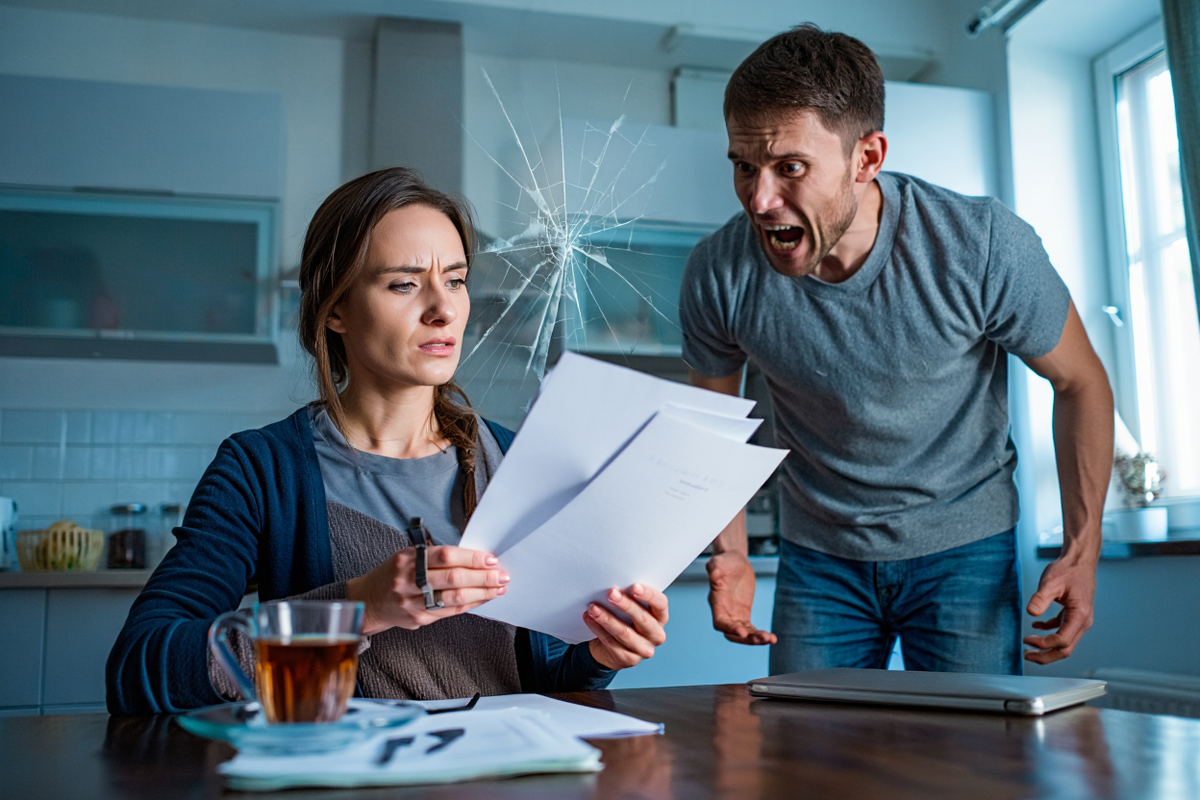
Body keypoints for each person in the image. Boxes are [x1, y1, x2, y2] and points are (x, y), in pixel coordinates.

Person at [107, 168, 669, 713]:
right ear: (336, 311)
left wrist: (599, 653)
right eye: (404, 283)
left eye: (454, 280)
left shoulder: (518, 460)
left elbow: (540, 679)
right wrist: (359, 608)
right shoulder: (261, 469)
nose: (444, 309)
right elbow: (139, 670)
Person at [679, 25, 1113, 675]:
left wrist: (1083, 548)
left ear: (867, 158)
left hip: (965, 548)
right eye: (745, 167)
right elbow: (711, 427)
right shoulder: (721, 271)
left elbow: (1082, 382)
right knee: (810, 768)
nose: (760, 200)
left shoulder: (981, 244)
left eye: (790, 167)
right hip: (819, 559)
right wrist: (732, 552)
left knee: (969, 768)